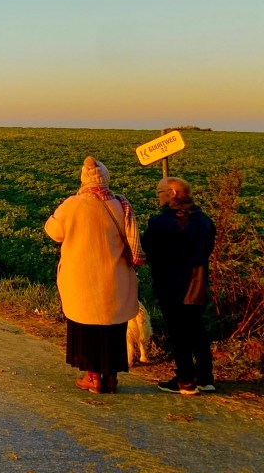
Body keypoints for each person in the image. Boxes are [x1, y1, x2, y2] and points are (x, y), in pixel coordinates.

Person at [45, 156, 146, 393]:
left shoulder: (73, 204)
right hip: (116, 278)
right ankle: (110, 378)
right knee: (114, 327)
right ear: (106, 178)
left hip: (83, 280)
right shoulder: (121, 204)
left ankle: (92, 377)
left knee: (86, 327)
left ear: (84, 178)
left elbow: (53, 231)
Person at [142, 177, 216, 395]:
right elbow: (208, 248)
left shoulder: (160, 222)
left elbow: (148, 250)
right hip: (199, 284)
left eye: (160, 192)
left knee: (178, 332)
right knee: (197, 329)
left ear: (172, 193)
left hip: (171, 285)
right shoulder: (204, 220)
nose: (158, 196)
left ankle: (185, 380)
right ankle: (205, 377)